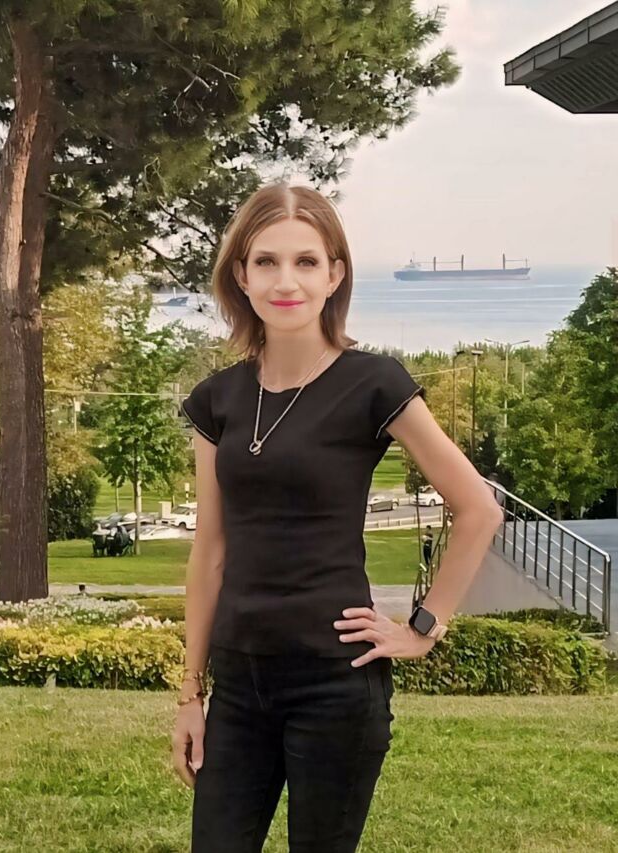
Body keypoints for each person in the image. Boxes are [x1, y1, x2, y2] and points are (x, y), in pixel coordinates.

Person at [171, 181, 505, 852]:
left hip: (335, 682)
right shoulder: (218, 399)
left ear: (334, 275)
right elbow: (210, 551)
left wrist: (423, 627)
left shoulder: (373, 383)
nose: (285, 280)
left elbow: (477, 508)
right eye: (266, 261)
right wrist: (189, 693)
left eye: (306, 261)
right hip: (238, 686)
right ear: (241, 276)